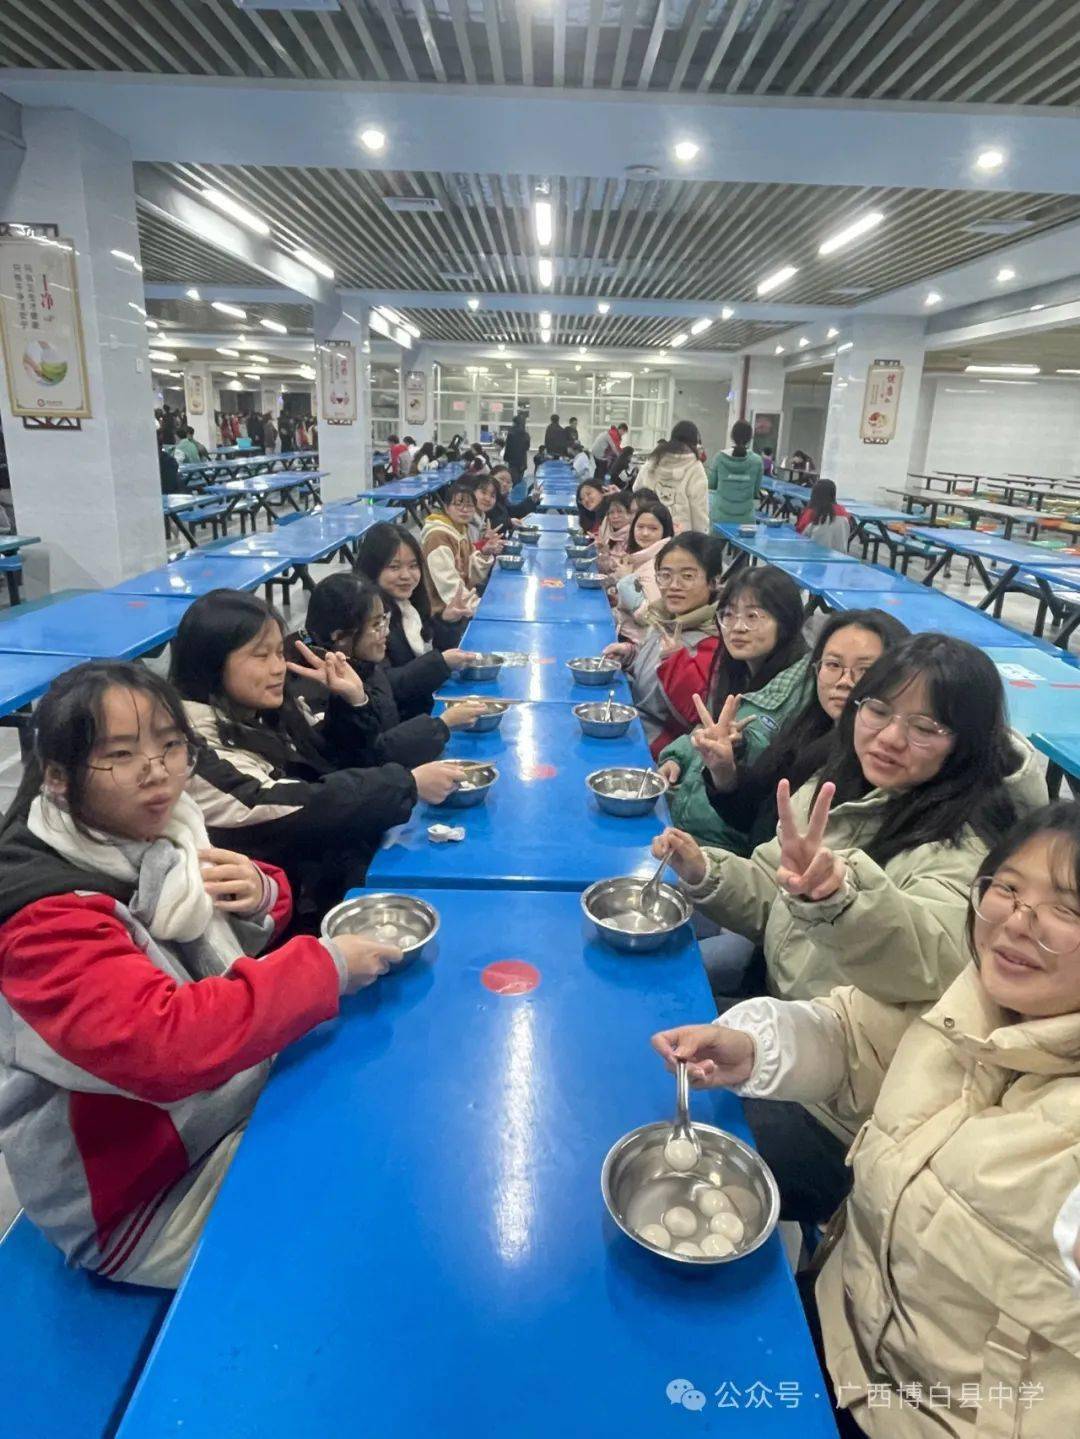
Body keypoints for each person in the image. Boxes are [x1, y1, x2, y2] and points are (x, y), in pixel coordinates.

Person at [653, 799, 1080, 1439]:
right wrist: (754, 1047)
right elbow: (861, 1038)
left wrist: (836, 897)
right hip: (839, 1332)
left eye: (1065, 912)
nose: (1019, 923)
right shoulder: (981, 1006)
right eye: (1009, 890)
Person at [0, 661, 401, 1285]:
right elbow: (166, 1045)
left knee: (387, 1106)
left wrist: (264, 889)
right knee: (376, 1211)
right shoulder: (42, 928)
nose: (157, 770)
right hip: (146, 1198)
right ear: (57, 776)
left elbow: (222, 933)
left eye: (169, 743)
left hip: (226, 1109)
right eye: (122, 754)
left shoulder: (157, 836)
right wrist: (324, 966)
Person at [652, 633, 1047, 1221]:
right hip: (782, 1033)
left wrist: (837, 893)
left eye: (925, 727)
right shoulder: (846, 786)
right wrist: (704, 867)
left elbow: (928, 954)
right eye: (879, 709)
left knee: (666, 1153)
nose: (888, 737)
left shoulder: (971, 848)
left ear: (965, 743)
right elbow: (770, 893)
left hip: (850, 1110)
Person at [170, 591, 463, 920]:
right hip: (287, 912)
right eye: (260, 656)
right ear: (212, 662)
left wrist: (352, 702)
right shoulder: (188, 747)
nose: (277, 668)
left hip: (326, 871)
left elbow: (337, 763)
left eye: (279, 653)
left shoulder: (263, 710)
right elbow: (281, 806)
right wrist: (406, 784)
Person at [693, 608, 910, 856]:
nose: (844, 681)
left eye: (865, 670)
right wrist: (724, 770)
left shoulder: (880, 767)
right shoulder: (808, 729)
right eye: (833, 664)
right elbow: (752, 818)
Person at [657, 567, 812, 850]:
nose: (737, 627)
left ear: (786, 622)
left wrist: (737, 752)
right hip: (689, 825)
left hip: (727, 849)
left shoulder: (803, 693)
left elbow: (766, 788)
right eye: (728, 614)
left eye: (753, 616)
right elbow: (710, 729)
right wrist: (678, 758)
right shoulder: (738, 669)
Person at [287, 573, 484, 763]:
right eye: (376, 625)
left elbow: (387, 686)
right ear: (340, 636)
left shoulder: (356, 662)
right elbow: (368, 757)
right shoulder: (318, 690)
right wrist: (441, 725)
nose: (386, 631)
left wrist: (442, 662)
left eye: (384, 620)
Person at [603, 532, 725, 756]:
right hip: (636, 720)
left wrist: (676, 660)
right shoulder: (666, 617)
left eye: (687, 576)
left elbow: (695, 715)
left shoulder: (715, 641)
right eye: (665, 575)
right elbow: (652, 667)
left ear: (713, 581)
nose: (674, 586)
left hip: (660, 746)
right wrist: (631, 655)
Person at [355, 523, 479, 719]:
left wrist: (447, 622)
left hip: (421, 707)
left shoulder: (409, 606)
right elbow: (384, 684)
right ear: (372, 568)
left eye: (413, 566)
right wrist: (441, 663)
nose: (406, 575)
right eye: (394, 567)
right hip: (401, 720)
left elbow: (427, 651)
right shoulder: (367, 619)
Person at [420, 479, 494, 647]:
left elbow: (470, 573)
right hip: (441, 616)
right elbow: (449, 586)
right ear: (446, 508)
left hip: (460, 607)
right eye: (458, 504)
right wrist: (482, 607)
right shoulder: (438, 536)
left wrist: (483, 554)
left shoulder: (460, 530)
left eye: (469, 505)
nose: (464, 509)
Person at [612, 501, 675, 643]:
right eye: (640, 527)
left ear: (665, 531)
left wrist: (626, 580)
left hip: (639, 643)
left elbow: (649, 617)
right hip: (628, 634)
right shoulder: (640, 557)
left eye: (653, 528)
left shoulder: (659, 564)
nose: (645, 533)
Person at [632, 421, 709, 534]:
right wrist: (701, 538)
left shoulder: (654, 460)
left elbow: (636, 489)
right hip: (680, 535)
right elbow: (698, 509)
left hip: (650, 530)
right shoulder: (695, 467)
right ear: (694, 441)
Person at [707, 419, 764, 526]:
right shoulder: (757, 461)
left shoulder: (719, 458)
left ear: (732, 436)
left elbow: (711, 484)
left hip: (719, 519)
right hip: (746, 522)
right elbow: (756, 491)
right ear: (750, 438)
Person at [796, 478, 850, 551]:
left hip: (812, 555)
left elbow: (799, 534)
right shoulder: (843, 514)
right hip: (839, 556)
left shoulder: (812, 513)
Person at [594, 490, 633, 573]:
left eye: (620, 512)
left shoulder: (634, 537)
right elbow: (603, 570)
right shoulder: (609, 534)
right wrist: (603, 553)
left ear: (630, 514)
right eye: (611, 512)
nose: (615, 516)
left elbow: (621, 570)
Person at [501, 413, 531, 494]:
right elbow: (527, 448)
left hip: (512, 461)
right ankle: (519, 500)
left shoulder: (511, 433)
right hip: (522, 462)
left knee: (513, 483)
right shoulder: (526, 434)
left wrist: (505, 458)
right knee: (519, 482)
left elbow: (508, 447)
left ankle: (513, 501)